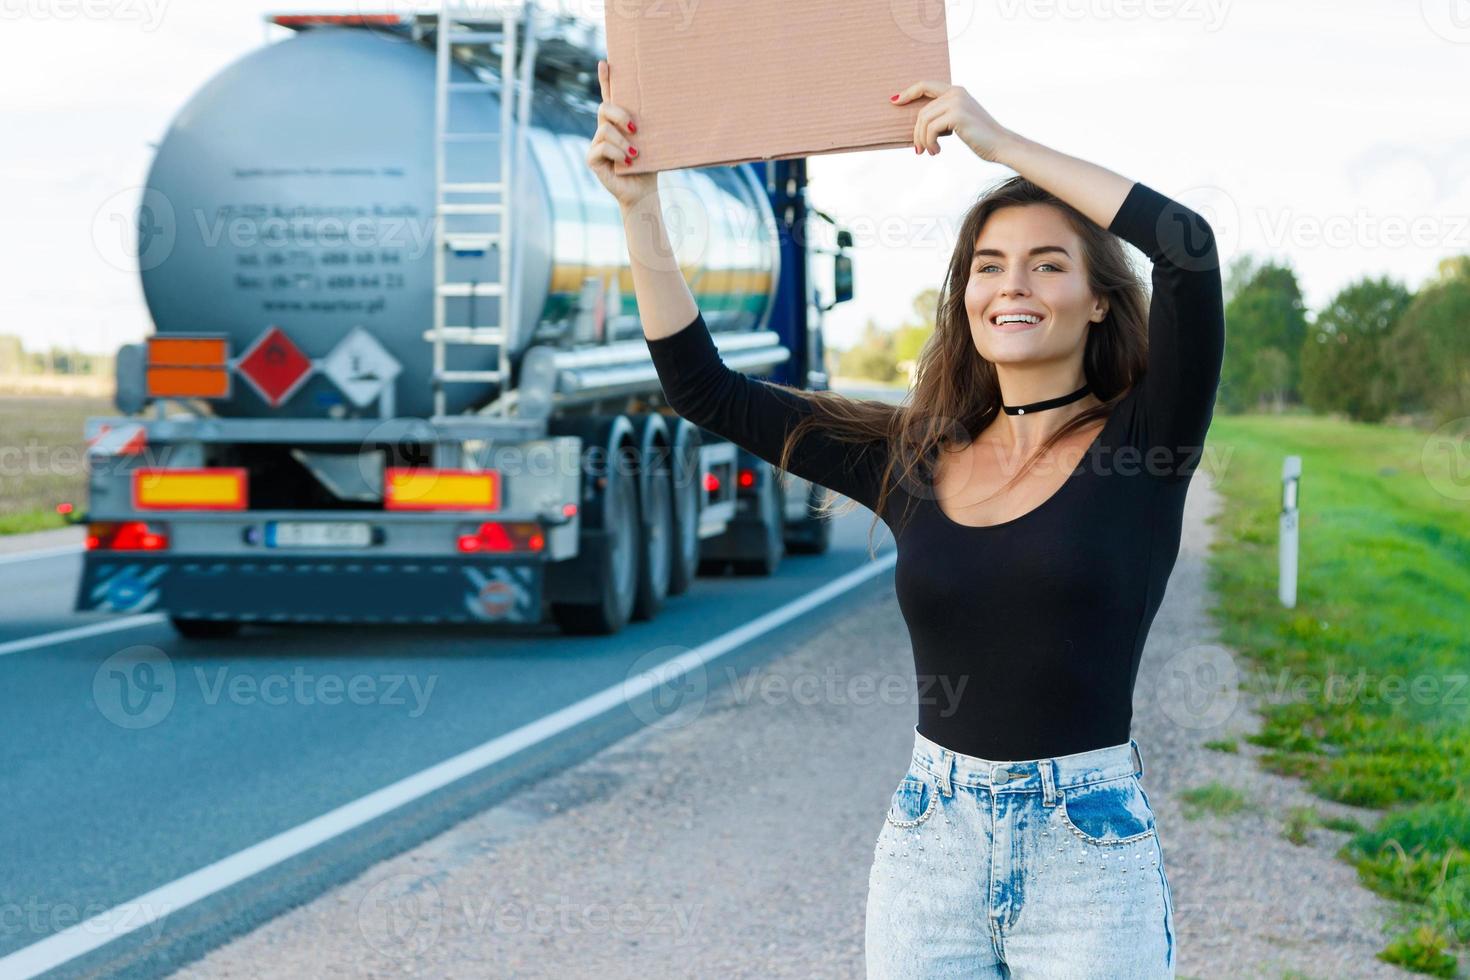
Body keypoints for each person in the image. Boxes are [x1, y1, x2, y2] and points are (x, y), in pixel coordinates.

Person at [586, 58, 1223, 979]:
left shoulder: (1146, 443)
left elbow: (1187, 244)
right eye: (989, 266)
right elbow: (704, 390)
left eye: (1049, 265)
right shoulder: (912, 458)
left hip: (1087, 853)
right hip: (931, 842)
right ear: (965, 301)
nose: (1014, 285)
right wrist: (640, 208)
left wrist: (997, 145)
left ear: (1096, 302)